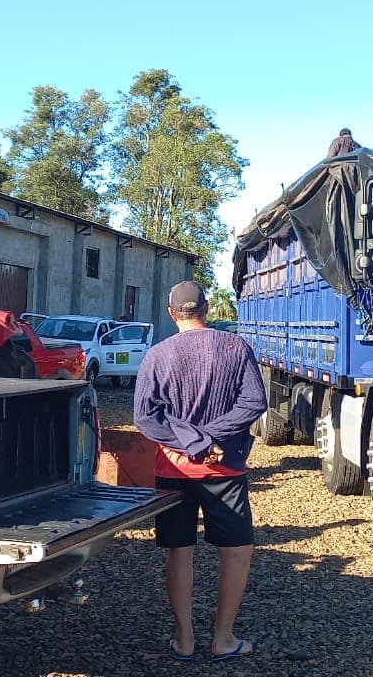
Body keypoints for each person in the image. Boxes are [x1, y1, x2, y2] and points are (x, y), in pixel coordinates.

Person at [133, 281, 267, 662]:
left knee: (180, 551)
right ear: (206, 309)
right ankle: (223, 639)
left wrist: (192, 442)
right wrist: (210, 440)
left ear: (172, 313)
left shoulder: (157, 356)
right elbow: (255, 402)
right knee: (237, 552)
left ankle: (184, 639)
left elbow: (145, 417)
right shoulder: (235, 347)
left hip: (173, 469)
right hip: (224, 468)